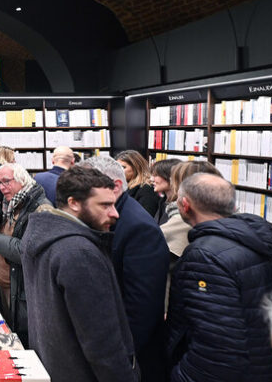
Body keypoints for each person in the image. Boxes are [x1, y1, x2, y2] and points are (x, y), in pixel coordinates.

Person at [20, 166, 139, 382]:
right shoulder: (79, 252)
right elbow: (101, 341)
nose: (115, 213)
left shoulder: (42, 234)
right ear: (74, 203)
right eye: (105, 205)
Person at [167, 173, 272, 381]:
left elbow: (218, 344)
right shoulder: (256, 238)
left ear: (185, 205)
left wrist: (182, 376)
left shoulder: (204, 256)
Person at [80, 156, 169, 382]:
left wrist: (117, 357)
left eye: (87, 184)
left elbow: (142, 306)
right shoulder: (111, 215)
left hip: (131, 358)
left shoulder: (138, 227)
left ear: (116, 186)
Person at [0, 163, 49, 345]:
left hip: (20, 289)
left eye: (6, 181)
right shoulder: (10, 203)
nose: (2, 187)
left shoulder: (39, 208)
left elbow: (24, 251)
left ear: (21, 179)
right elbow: (10, 233)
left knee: (22, 340)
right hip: (6, 283)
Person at [116, 150, 160, 217]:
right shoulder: (123, 185)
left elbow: (145, 218)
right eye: (117, 167)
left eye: (123, 167)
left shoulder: (146, 189)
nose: (118, 171)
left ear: (136, 167)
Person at [149, 158, 181, 224]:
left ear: (171, 177)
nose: (151, 179)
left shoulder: (180, 206)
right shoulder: (163, 201)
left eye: (156, 175)